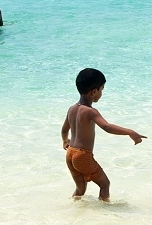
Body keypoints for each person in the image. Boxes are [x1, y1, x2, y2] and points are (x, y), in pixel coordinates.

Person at [61, 68, 146, 201]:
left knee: (80, 188)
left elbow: (64, 129)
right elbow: (107, 127)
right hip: (82, 156)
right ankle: (105, 212)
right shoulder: (90, 111)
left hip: (70, 154)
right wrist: (130, 132)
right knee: (104, 184)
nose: (102, 93)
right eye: (102, 89)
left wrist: (65, 141)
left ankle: (73, 210)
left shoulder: (72, 109)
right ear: (94, 91)